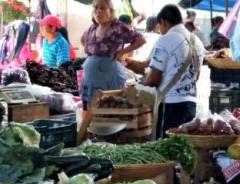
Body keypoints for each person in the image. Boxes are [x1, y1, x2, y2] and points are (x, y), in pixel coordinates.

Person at [141, 4, 205, 138]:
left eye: (159, 27)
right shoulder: (197, 41)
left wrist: (142, 83)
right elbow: (196, 75)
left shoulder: (165, 39)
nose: (160, 31)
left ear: (163, 22)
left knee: (165, 149)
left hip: (170, 105)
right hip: (190, 103)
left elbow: (153, 80)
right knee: (184, 146)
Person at [80, 0, 145, 109]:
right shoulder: (93, 28)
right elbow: (83, 40)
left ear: (111, 11)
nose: (98, 11)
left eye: (103, 8)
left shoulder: (117, 27)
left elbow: (140, 39)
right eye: (96, 8)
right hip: (90, 77)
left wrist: (122, 52)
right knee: (91, 111)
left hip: (109, 76)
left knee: (109, 108)